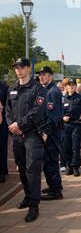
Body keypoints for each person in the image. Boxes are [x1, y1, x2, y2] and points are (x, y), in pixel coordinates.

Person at [5, 58, 47, 222]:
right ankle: (28, 196)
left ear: (28, 68)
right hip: (17, 136)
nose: (19, 70)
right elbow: (8, 110)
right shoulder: (12, 88)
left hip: (32, 135)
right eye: (16, 68)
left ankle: (34, 205)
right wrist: (12, 126)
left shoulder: (37, 88)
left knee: (32, 170)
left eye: (22, 67)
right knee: (22, 168)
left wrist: (20, 124)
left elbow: (38, 111)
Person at [38, 66, 64, 201]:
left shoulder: (52, 92)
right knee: (48, 160)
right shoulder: (47, 90)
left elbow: (52, 116)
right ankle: (53, 185)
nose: (41, 77)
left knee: (51, 161)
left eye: (44, 74)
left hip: (52, 132)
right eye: (40, 75)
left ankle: (56, 191)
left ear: (51, 76)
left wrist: (45, 133)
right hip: (50, 131)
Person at [62, 79, 81, 177]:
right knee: (66, 147)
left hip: (76, 125)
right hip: (66, 126)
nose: (72, 87)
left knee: (75, 147)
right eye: (69, 85)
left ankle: (75, 167)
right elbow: (57, 111)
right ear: (66, 87)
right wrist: (62, 117)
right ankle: (69, 166)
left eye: (73, 85)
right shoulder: (62, 98)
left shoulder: (80, 98)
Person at [0, 80, 8, 183]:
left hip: (2, 123)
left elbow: (9, 105)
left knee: (2, 146)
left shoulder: (4, 88)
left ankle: (2, 171)